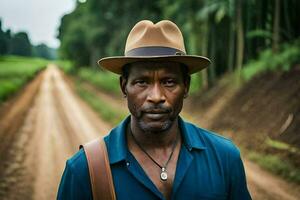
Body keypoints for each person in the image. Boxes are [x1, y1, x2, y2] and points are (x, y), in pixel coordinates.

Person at [57, 20, 251, 200]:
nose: (156, 96)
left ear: (186, 86)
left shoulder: (224, 157)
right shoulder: (84, 170)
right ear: (124, 87)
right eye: (142, 82)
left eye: (169, 82)